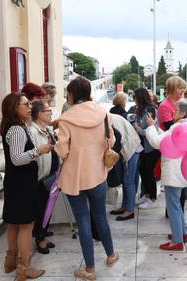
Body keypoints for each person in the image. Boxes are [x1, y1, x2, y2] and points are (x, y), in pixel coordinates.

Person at [55, 76, 119, 280]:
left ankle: (90, 269)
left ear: (71, 94)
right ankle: (110, 254)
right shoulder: (103, 113)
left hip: (74, 176)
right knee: (100, 216)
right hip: (98, 172)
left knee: (82, 220)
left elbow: (62, 152)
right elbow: (112, 140)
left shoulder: (66, 119)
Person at [0, 93, 51, 280]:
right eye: (25, 104)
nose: (30, 107)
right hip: (21, 183)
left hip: (17, 182)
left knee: (14, 223)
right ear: (14, 108)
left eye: (29, 104)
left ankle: (11, 262)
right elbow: (17, 159)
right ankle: (24, 266)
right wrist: (39, 150)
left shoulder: (15, 127)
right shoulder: (16, 129)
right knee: (26, 225)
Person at [146, 98, 187, 251]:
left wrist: (150, 127)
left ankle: (177, 241)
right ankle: (181, 233)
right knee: (177, 205)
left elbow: (157, 142)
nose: (173, 112)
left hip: (173, 172)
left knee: (173, 206)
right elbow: (168, 137)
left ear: (182, 113)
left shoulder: (177, 127)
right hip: (183, 171)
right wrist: (156, 126)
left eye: (176, 110)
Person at [28, 100, 59, 254]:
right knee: (41, 211)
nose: (51, 112)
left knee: (47, 209)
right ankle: (39, 239)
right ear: (40, 114)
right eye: (48, 110)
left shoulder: (45, 129)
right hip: (40, 179)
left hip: (49, 176)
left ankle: (43, 234)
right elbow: (32, 155)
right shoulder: (32, 132)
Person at [157, 76, 187, 214]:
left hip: (182, 145)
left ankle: (176, 213)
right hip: (171, 146)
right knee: (174, 182)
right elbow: (170, 127)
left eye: (183, 88)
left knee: (182, 182)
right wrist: (182, 119)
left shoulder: (181, 102)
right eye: (180, 88)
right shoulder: (165, 105)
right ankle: (173, 213)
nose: (182, 90)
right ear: (172, 88)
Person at [109, 113, 142, 221]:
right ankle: (125, 207)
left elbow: (115, 140)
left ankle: (130, 210)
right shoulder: (109, 116)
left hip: (131, 148)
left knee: (129, 181)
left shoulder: (107, 119)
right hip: (133, 146)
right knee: (127, 180)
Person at [133, 88, 160, 209]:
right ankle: (147, 194)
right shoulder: (141, 109)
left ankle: (152, 198)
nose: (134, 100)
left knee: (149, 172)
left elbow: (151, 128)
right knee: (143, 170)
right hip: (144, 146)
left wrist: (140, 130)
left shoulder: (150, 109)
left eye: (135, 98)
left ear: (140, 97)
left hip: (152, 146)